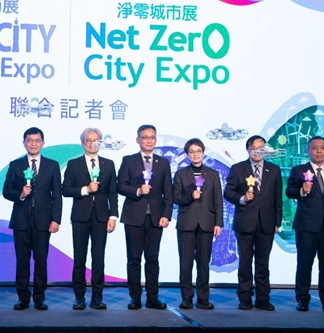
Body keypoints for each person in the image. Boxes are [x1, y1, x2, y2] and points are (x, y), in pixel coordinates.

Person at [3, 127, 63, 311]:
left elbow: (57, 195)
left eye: (37, 140)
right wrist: (20, 194)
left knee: (41, 260)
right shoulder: (15, 165)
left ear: (43, 143)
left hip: (43, 221)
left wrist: (56, 219)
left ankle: (39, 298)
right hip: (21, 220)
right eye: (29, 140)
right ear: (24, 143)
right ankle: (23, 298)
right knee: (22, 261)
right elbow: (6, 191)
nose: (33, 144)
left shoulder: (52, 165)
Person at [286, 136, 324, 312]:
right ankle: (303, 299)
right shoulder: (299, 170)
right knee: (305, 263)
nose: (319, 151)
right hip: (306, 225)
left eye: (322, 148)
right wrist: (301, 190)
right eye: (314, 148)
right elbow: (289, 191)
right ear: (308, 151)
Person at [116, 124, 173, 310]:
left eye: (152, 137)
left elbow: (168, 192)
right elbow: (120, 185)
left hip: (156, 218)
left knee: (152, 259)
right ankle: (135, 298)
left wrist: (166, 215)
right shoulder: (129, 160)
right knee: (134, 259)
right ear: (137, 140)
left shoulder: (163, 163)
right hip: (134, 217)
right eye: (145, 137)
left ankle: (152, 298)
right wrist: (138, 191)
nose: (149, 140)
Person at [62, 128, 119, 310]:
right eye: (88, 140)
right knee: (79, 258)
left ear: (100, 143)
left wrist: (113, 216)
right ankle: (79, 298)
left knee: (98, 259)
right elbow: (65, 189)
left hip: (101, 217)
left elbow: (113, 192)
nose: (92, 143)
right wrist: (85, 190)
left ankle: (97, 297)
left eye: (96, 140)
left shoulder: (108, 164)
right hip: (80, 217)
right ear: (82, 143)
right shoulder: (73, 164)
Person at [223, 135, 282, 311]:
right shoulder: (238, 168)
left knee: (263, 263)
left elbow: (278, 198)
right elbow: (228, 192)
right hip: (245, 222)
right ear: (248, 149)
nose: (257, 151)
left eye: (261, 148)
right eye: (254, 148)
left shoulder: (274, 170)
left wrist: (277, 222)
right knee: (245, 262)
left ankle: (263, 298)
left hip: (267, 223)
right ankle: (245, 298)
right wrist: (242, 198)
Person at [173, 138, 222, 310]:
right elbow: (176, 198)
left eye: (198, 151)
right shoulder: (181, 174)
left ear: (203, 153)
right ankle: (186, 299)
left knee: (203, 264)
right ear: (187, 154)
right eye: (192, 152)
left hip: (206, 224)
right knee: (185, 264)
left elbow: (218, 201)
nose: (195, 154)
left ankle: (203, 299)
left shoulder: (212, 174)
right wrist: (190, 196)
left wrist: (218, 223)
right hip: (186, 224)